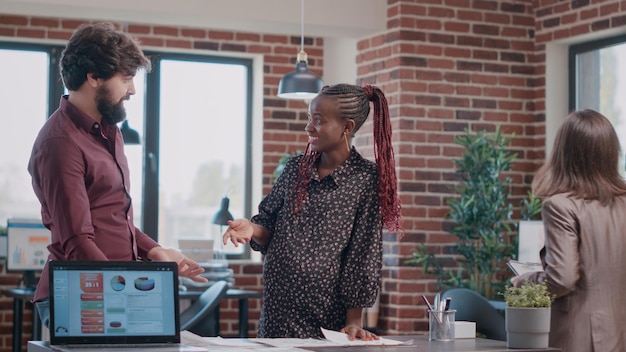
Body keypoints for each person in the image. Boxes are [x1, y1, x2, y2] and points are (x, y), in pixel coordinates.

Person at [28, 22, 207, 327]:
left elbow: (114, 218)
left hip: (112, 287)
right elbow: (76, 240)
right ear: (94, 77)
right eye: (126, 79)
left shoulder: (110, 132)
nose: (133, 90)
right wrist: (126, 290)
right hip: (82, 293)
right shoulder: (61, 142)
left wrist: (156, 251)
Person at [223, 84, 402, 340]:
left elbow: (363, 253)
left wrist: (354, 321)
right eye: (309, 118)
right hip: (278, 311)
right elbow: (269, 227)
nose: (309, 127)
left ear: (347, 127)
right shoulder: (296, 168)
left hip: (328, 318)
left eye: (318, 120)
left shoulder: (366, 178)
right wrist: (252, 229)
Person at [512, 109, 626, 351]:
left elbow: (562, 278)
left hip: (580, 339)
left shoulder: (560, 206)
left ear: (564, 153)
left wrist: (523, 282)